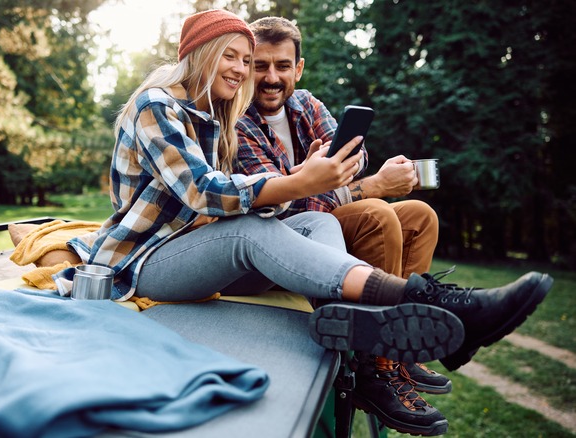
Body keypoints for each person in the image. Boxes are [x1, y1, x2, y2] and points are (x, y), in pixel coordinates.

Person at [57, 9, 552, 436]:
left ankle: (368, 328)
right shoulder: (156, 106)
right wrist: (299, 185)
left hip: (201, 253)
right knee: (251, 232)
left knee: (314, 227)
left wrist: (296, 178)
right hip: (145, 262)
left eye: (245, 61)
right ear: (198, 54)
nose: (243, 70)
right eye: (232, 56)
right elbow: (204, 193)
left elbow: (258, 204)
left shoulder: (219, 118)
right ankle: (427, 300)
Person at [230, 15, 455, 435]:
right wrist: (368, 186)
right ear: (247, 68)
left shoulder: (307, 105)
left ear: (298, 68)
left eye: (282, 65)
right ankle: (374, 364)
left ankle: (400, 347)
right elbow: (285, 205)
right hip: (286, 240)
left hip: (324, 221)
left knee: (421, 217)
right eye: (260, 65)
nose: (271, 77)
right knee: (378, 213)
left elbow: (356, 157)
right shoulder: (237, 122)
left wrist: (347, 177)